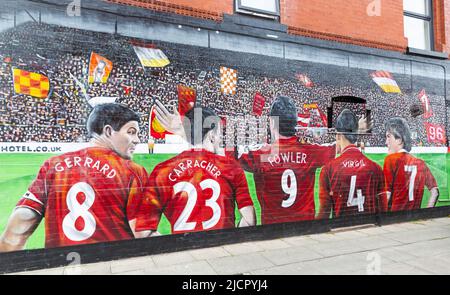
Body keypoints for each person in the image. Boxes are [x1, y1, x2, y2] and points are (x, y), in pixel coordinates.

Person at [0, 103, 157, 252]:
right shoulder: (131, 171)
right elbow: (143, 234)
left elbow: (18, 229)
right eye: (131, 132)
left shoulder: (53, 165)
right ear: (108, 132)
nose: (137, 139)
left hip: (62, 266)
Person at [134, 106, 256, 234]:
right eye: (219, 134)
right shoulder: (230, 168)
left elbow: (144, 231)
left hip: (184, 250)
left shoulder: (162, 171)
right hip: (222, 246)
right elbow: (249, 221)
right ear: (212, 135)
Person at [317, 109, 386, 219]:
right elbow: (383, 209)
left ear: (338, 135)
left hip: (341, 230)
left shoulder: (328, 169)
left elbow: (324, 211)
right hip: (369, 230)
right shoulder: (376, 168)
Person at [383, 117, 439, 211]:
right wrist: (428, 212)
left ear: (400, 139)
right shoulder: (420, 163)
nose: (386, 142)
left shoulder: (391, 160)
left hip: (396, 219)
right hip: (415, 217)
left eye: (389, 137)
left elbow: (387, 196)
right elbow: (435, 192)